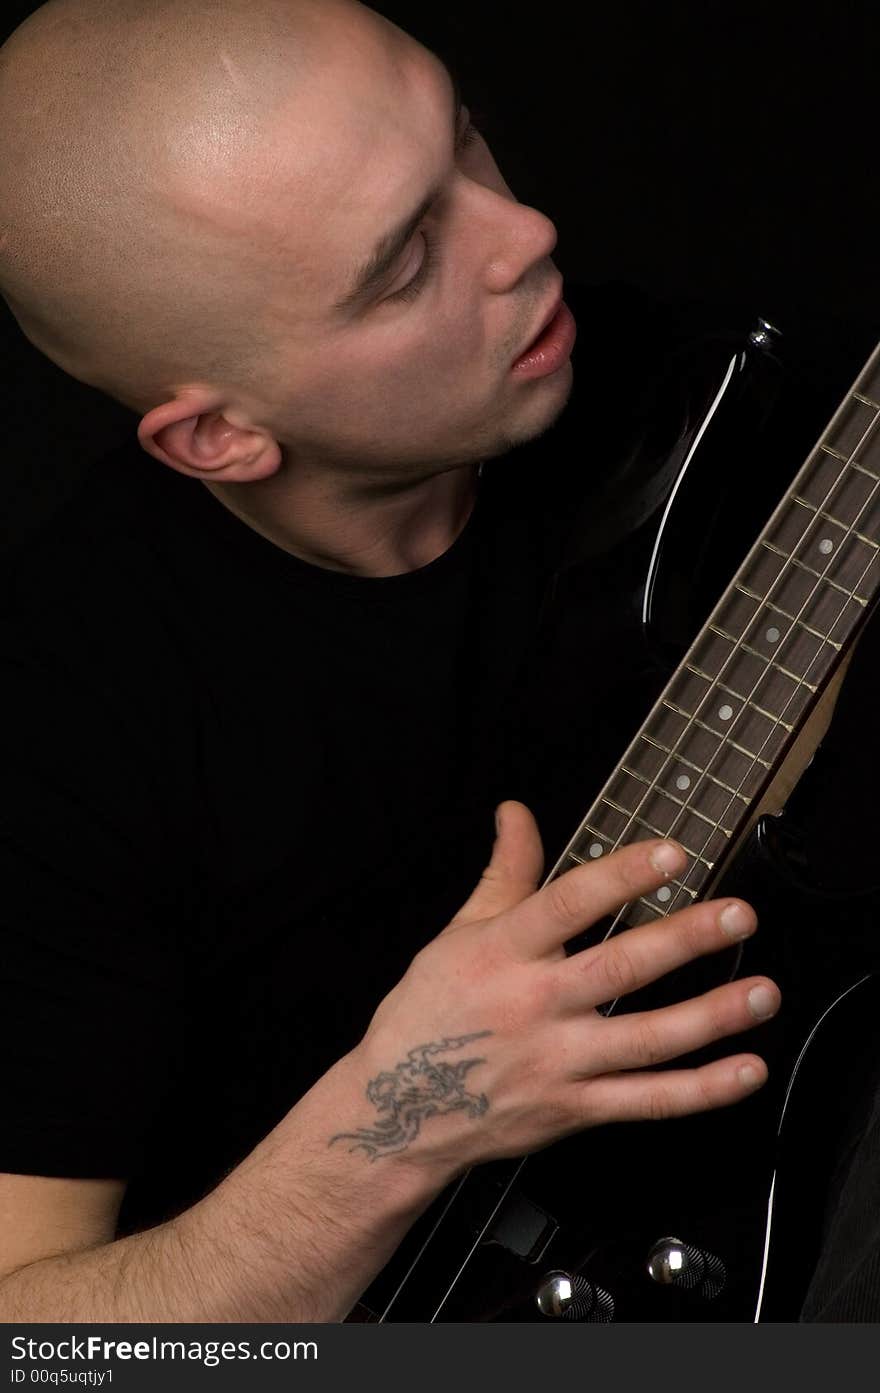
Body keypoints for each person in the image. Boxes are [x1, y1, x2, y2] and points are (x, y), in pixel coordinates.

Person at [0, 0, 785, 1322]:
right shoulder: (58, 731)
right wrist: (404, 1120)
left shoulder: (682, 384)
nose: (523, 236)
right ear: (219, 439)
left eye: (464, 142)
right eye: (404, 267)